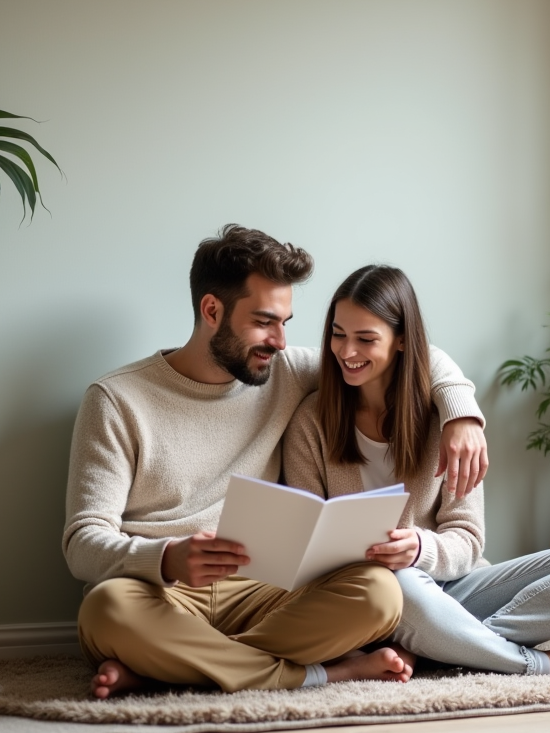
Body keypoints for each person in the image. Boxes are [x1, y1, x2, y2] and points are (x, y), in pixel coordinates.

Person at [63, 226, 489, 698]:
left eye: (285, 322)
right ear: (212, 311)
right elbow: (82, 544)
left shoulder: (280, 371)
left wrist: (461, 414)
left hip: (267, 592)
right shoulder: (117, 399)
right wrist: (166, 558)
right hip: (159, 593)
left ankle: (167, 668)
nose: (281, 340)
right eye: (266, 321)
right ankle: (318, 674)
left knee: (380, 594)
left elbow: (402, 351)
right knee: (105, 610)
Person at [283, 265, 550, 677]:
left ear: (401, 341)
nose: (347, 351)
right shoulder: (311, 424)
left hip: (453, 588)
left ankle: (440, 647)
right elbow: (307, 551)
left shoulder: (444, 421)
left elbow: (468, 539)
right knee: (399, 585)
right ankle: (536, 663)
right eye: (338, 334)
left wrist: (419, 549)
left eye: (366, 339)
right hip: (370, 600)